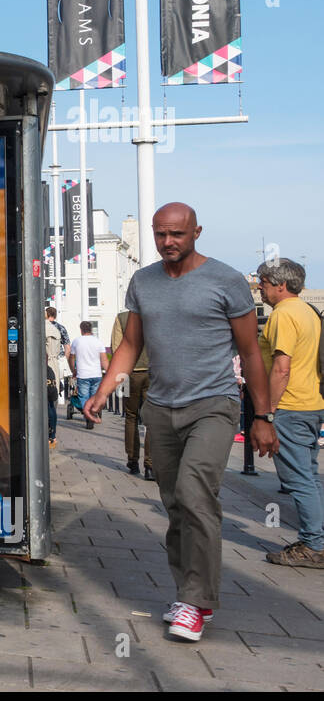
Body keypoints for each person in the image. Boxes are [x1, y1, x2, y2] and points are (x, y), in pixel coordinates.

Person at [86, 202, 276, 644]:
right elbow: (131, 345)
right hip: (161, 406)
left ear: (196, 232)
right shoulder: (143, 282)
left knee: (195, 493)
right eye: (160, 234)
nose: (168, 242)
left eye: (177, 234)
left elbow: (250, 352)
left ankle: (195, 600)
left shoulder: (226, 280)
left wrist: (263, 416)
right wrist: (101, 391)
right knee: (175, 504)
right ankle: (190, 594)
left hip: (214, 404)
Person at [255, 258, 324, 568]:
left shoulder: (283, 315)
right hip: (310, 403)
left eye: (264, 281)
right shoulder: (309, 312)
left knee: (298, 479)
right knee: (309, 476)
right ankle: (317, 537)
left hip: (290, 407)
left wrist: (266, 414)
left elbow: (282, 368)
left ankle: (313, 544)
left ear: (280, 285)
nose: (260, 287)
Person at [113, 308, 155, 478]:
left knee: (131, 416)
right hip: (153, 374)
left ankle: (132, 459)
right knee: (151, 420)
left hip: (129, 374)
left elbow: (116, 348)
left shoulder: (122, 318)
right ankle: (150, 465)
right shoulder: (153, 314)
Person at [69, 321, 107, 430]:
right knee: (94, 396)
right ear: (91, 329)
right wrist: (109, 373)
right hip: (96, 374)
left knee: (83, 397)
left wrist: (73, 370)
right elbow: (104, 360)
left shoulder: (77, 341)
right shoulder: (98, 341)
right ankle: (93, 412)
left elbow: (71, 358)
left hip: (83, 374)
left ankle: (88, 416)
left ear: (81, 329)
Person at [44, 307, 66, 447]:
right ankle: (53, 435)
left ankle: (47, 434)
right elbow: (66, 347)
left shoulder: (42, 328)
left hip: (45, 366)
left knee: (46, 403)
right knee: (52, 402)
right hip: (55, 366)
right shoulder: (57, 329)